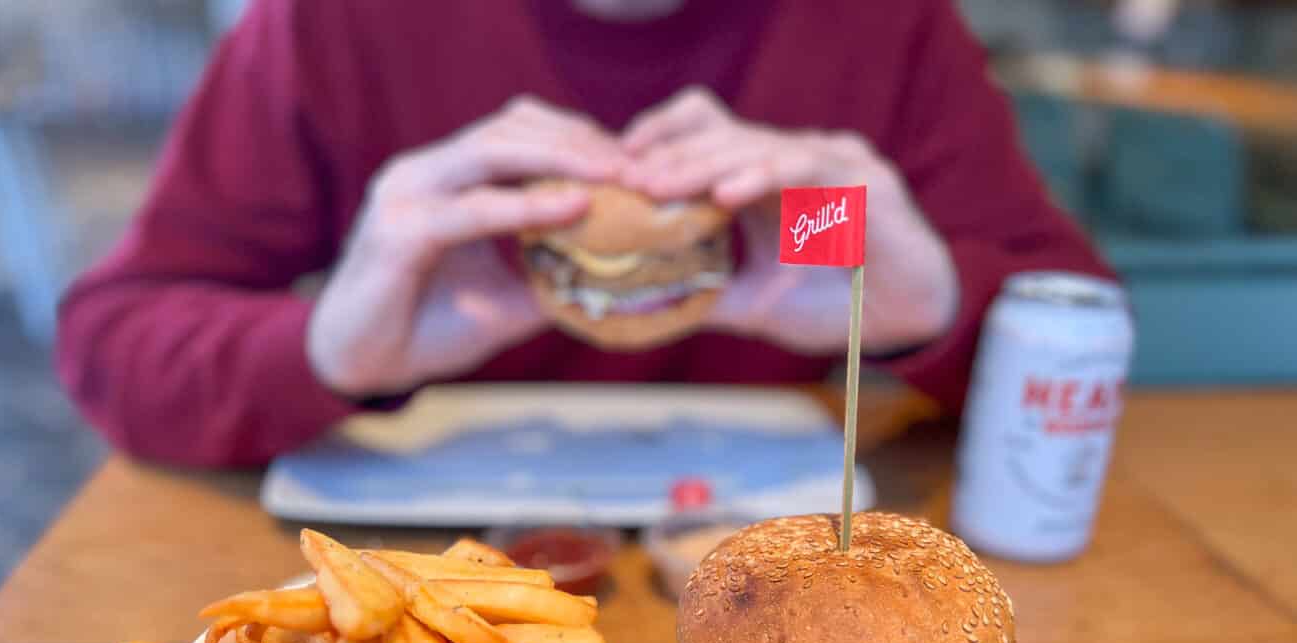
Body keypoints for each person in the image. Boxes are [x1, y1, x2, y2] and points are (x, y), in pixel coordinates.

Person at [56, 0, 1111, 467]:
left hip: (770, 553)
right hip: (424, 554)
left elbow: (1080, 328)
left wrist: (921, 314)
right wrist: (328, 347)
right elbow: (113, 341)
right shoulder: (338, 21)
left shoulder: (880, 26)